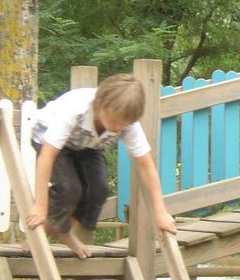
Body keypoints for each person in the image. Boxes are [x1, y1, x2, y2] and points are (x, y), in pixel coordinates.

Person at [26, 74, 177, 258]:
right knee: (69, 189)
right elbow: (47, 156)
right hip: (47, 138)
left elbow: (146, 166)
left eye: (124, 124)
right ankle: (51, 232)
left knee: (99, 190)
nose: (117, 128)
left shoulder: (127, 124)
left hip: (87, 145)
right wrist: (40, 206)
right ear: (98, 104)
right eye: (114, 121)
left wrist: (160, 213)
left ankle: (63, 231)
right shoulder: (76, 109)